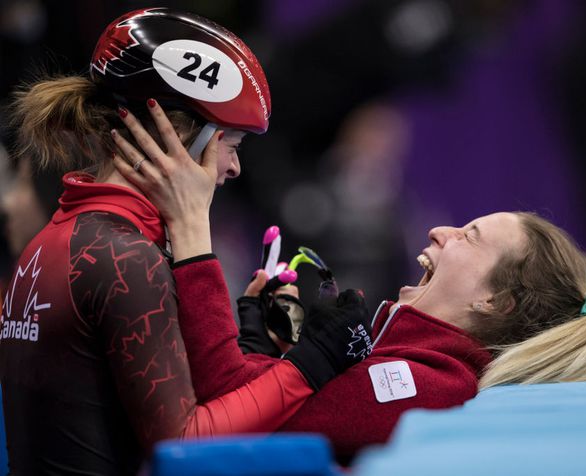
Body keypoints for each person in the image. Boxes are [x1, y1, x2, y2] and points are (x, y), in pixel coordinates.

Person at [115, 111, 586, 461]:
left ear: (494, 301)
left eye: (469, 236)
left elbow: (224, 410)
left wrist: (191, 231)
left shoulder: (424, 387)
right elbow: (256, 403)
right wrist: (273, 353)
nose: (441, 231)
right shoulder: (418, 368)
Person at [0, 8, 373, 475]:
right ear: (178, 139)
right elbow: (184, 445)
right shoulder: (125, 258)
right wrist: (312, 364)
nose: (234, 169)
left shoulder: (61, 237)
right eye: (231, 145)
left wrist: (257, 352)